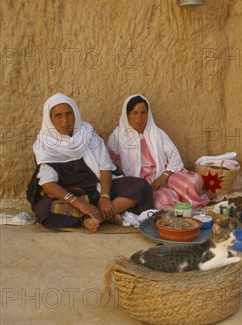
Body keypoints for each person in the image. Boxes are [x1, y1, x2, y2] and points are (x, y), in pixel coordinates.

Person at [26, 94, 154, 232]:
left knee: (140, 186)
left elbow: (105, 168)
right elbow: (48, 185)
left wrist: (105, 197)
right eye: (58, 116)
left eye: (69, 114)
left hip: (97, 189)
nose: (65, 121)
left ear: (75, 114)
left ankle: (96, 216)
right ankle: (97, 215)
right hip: (68, 196)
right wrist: (80, 204)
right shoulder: (44, 144)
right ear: (50, 120)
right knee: (44, 209)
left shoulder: (88, 135)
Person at [107, 94, 211, 210]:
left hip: (163, 173)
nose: (139, 118)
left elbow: (174, 156)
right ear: (127, 115)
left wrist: (164, 176)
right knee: (162, 202)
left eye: (143, 113)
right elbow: (108, 162)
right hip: (143, 182)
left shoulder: (157, 133)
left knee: (191, 183)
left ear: (148, 114)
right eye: (135, 113)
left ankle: (190, 202)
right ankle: (182, 206)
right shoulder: (118, 136)